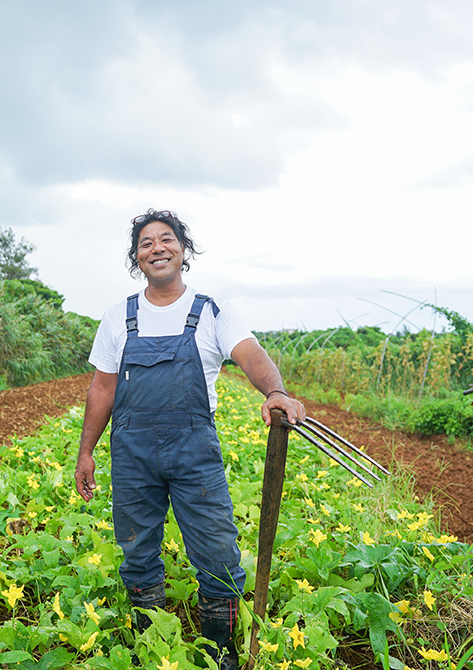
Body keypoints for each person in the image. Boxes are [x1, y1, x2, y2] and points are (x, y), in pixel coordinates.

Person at [74, 209, 305, 669]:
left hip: (194, 451)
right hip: (133, 454)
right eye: (145, 243)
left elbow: (251, 354)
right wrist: (86, 452)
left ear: (183, 250)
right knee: (137, 549)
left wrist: (275, 391)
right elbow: (102, 388)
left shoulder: (212, 311)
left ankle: (220, 648)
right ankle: (152, 643)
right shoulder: (118, 317)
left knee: (217, 550)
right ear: (136, 257)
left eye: (166, 239)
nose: (157, 248)